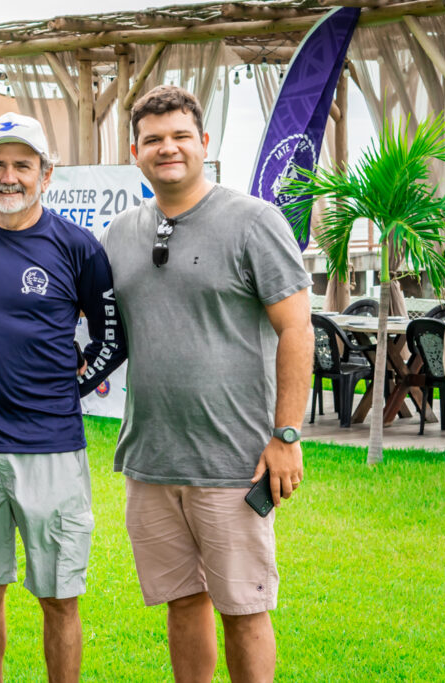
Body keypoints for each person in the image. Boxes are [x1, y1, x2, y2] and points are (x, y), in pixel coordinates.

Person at [100, 85, 314, 683]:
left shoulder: (253, 222)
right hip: (151, 457)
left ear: (204, 144)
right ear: (135, 151)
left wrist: (287, 435)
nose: (167, 148)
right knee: (181, 602)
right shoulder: (119, 233)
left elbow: (297, 329)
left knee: (244, 607)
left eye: (179, 136)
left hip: (235, 459)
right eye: (153, 140)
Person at [0, 112, 126, 683]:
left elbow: (113, 336)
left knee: (60, 595)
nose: (10, 177)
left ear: (46, 174)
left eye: (23, 166)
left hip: (50, 446)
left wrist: (71, 389)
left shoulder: (77, 246)